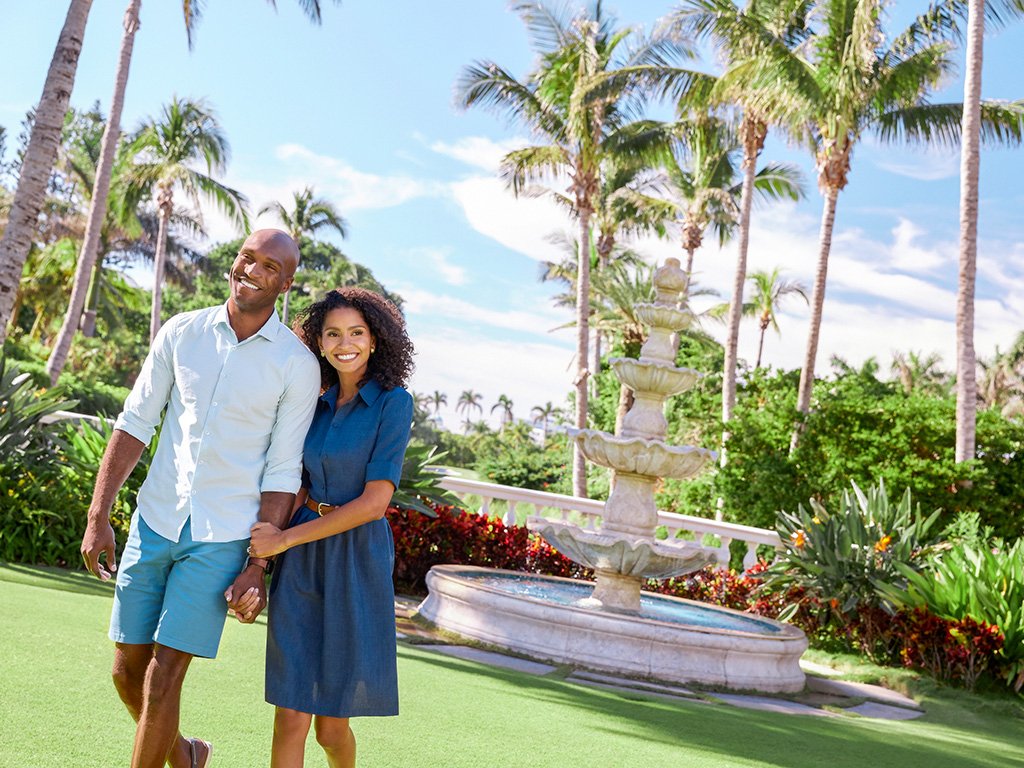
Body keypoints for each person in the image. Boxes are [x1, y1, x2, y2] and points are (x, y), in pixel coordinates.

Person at [80, 229, 322, 768]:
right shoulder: (182, 332)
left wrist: (257, 565)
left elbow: (283, 469)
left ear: (286, 282)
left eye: (269, 266)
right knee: (127, 673)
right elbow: (136, 423)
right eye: (247, 258)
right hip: (156, 520)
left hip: (222, 538)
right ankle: (187, 755)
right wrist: (99, 514)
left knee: (164, 678)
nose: (252, 271)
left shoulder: (296, 365)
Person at [248, 287, 415, 768]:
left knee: (331, 725)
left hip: (357, 557)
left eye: (357, 333)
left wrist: (284, 539)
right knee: (291, 713)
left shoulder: (393, 403)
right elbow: (296, 483)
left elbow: (374, 504)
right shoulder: (313, 403)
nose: (346, 343)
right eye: (334, 334)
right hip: (301, 561)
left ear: (375, 340)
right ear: (319, 343)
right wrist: (263, 555)